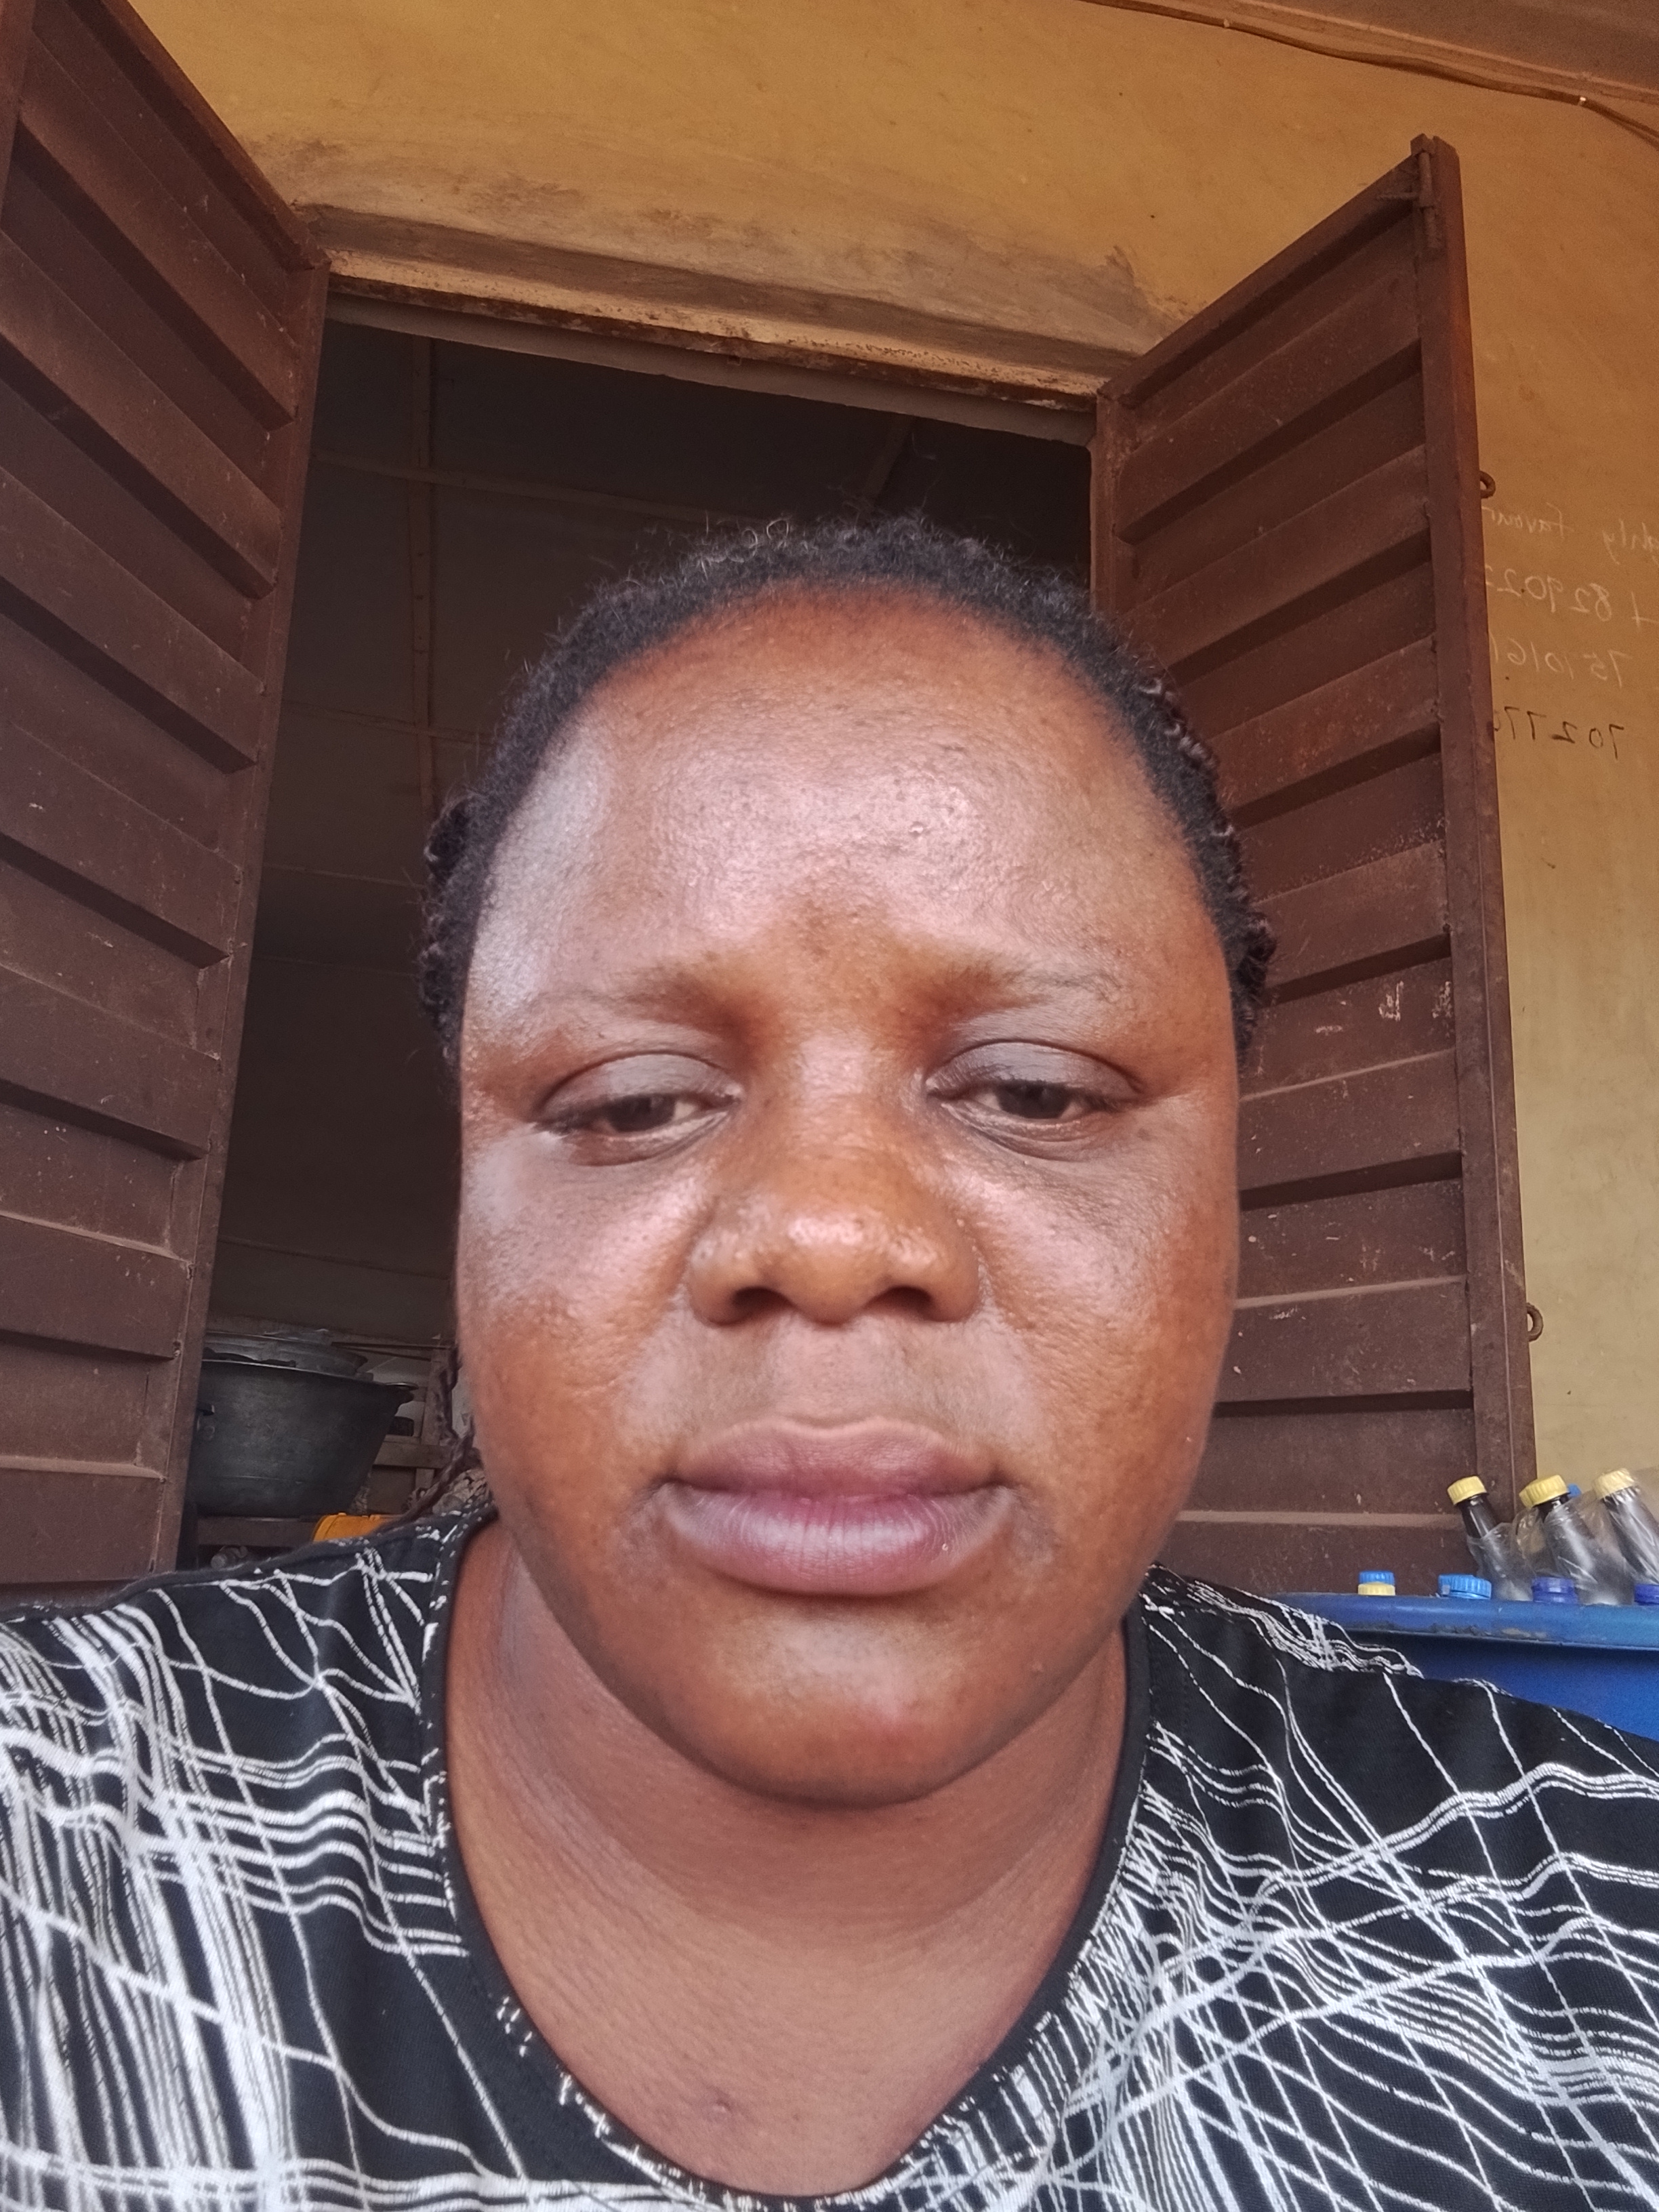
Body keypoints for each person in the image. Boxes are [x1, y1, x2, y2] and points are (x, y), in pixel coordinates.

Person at [1, 518, 1656, 2212]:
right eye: (634, 1100)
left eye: (1036, 1089)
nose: (830, 1236)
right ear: (472, 1193)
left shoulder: (1590, 1927)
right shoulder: (50, 1830)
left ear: (1232, 1189)